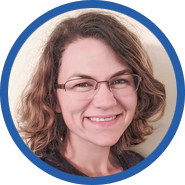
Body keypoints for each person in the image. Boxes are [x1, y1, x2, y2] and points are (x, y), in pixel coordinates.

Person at [16, 11, 166, 177]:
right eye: (82, 84)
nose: (106, 101)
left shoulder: (137, 162)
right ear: (53, 99)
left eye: (119, 81)